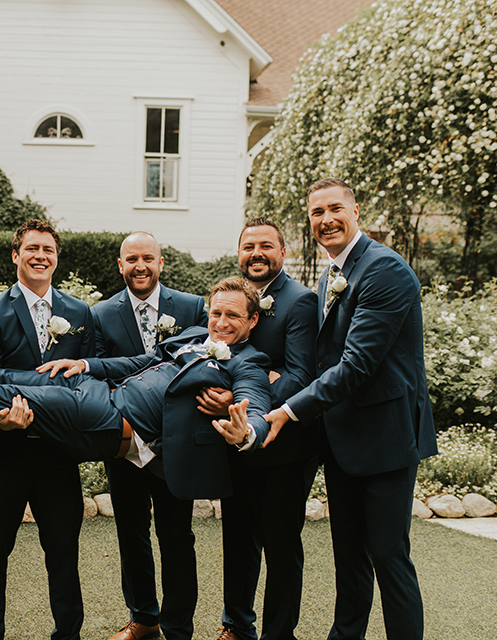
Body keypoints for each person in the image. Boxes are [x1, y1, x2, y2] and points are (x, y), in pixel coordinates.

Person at [0, 277, 271, 493]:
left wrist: (246, 432)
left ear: (253, 321)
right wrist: (84, 363)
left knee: (6, 394)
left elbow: (255, 404)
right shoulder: (191, 333)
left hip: (113, 421)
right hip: (97, 391)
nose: (220, 322)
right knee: (3, 375)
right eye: (216, 312)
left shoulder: (249, 361)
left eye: (232, 315)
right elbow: (141, 362)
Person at [264, 179, 438, 640]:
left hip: (384, 438)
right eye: (316, 212)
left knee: (388, 557)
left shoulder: (384, 270)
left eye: (334, 208)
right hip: (342, 439)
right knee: (349, 556)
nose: (326, 220)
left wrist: (287, 411)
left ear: (355, 210)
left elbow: (356, 364)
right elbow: (324, 357)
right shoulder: (330, 275)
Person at [0, 219, 95, 640]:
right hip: (3, 451)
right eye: (32, 249)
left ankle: (68, 634)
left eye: (48, 250)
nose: (40, 256)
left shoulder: (78, 313)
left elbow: (87, 381)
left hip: (58, 455)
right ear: (15, 255)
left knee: (63, 553)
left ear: (56, 258)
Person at [201, 218, 317, 640]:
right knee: (238, 538)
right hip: (236, 442)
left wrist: (245, 398)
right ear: (239, 253)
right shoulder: (229, 300)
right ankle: (236, 626)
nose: (256, 253)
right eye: (248, 246)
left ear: (282, 253)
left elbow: (301, 375)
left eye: (266, 246)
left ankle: (278, 634)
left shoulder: (300, 301)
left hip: (285, 446)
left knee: (281, 546)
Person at [91, 232, 207, 640]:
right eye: (131, 259)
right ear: (120, 265)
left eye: (148, 258)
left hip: (176, 442)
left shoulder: (192, 307)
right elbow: (98, 375)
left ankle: (178, 626)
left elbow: (203, 367)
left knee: (178, 534)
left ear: (161, 263)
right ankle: (143, 617)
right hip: (123, 441)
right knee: (131, 530)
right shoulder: (101, 313)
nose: (140, 266)